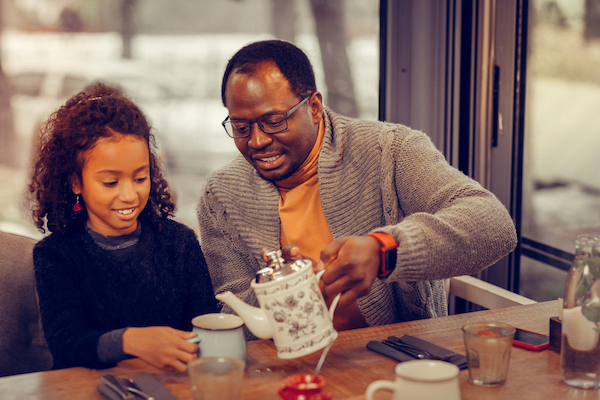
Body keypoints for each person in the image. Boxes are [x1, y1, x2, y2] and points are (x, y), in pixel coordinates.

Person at [198, 40, 517, 339]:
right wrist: (286, 289)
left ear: (313, 106)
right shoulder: (221, 195)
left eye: (274, 121)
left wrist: (384, 251)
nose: (257, 141)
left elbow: (493, 225)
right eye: (240, 127)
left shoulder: (390, 151)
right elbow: (234, 315)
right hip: (290, 368)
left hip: (401, 358)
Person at [27, 82, 218, 372]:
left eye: (140, 178)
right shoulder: (56, 255)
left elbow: (206, 327)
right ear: (76, 182)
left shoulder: (179, 243)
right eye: (111, 182)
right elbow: (67, 345)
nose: (129, 195)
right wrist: (130, 341)